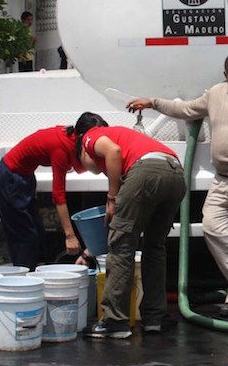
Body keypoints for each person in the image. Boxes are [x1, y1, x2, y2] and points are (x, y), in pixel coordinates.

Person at [127, 51, 228, 317]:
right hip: (222, 179)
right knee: (213, 228)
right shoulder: (215, 94)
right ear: (225, 75)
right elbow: (185, 109)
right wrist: (152, 102)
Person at [79, 124, 186, 338]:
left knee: (121, 247)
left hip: (146, 172)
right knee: (155, 247)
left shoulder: (90, 135)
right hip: (175, 173)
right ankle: (154, 319)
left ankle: (115, 321)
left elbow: (113, 152)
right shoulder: (126, 136)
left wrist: (112, 197)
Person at [0, 113, 108, 270]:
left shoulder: (72, 140)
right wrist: (70, 236)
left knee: (37, 234)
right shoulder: (61, 148)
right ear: (82, 136)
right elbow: (58, 196)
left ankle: (35, 275)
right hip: (10, 179)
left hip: (24, 177)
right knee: (24, 237)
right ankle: (25, 281)